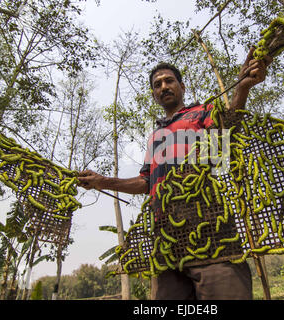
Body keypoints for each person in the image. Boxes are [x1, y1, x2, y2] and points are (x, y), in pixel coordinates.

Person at [78, 47, 272, 300]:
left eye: (169, 80)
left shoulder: (201, 113)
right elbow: (145, 182)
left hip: (207, 221)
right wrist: (102, 182)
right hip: (165, 232)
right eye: (157, 84)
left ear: (181, 86)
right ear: (153, 94)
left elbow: (221, 145)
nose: (163, 86)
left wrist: (242, 88)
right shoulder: (156, 136)